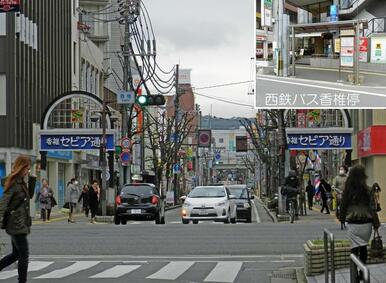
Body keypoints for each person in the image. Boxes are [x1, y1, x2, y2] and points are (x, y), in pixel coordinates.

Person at [339, 165, 380, 279]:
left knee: (354, 248)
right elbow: (372, 209)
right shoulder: (368, 189)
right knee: (363, 247)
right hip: (366, 224)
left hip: (352, 223)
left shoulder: (347, 191)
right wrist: (376, 223)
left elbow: (343, 206)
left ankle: (355, 273)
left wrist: (342, 218)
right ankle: (363, 271)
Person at [0, 155, 36, 283]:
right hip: (16, 224)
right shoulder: (13, 182)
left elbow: (30, 195)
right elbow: (3, 203)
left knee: (16, 254)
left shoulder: (21, 181)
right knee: (24, 255)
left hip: (20, 223)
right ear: (21, 167)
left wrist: (32, 178)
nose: (28, 171)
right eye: (27, 168)